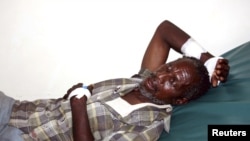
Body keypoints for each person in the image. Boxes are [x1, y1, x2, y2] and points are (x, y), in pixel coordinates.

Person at [0, 20, 229, 141]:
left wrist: (78, 107)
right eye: (167, 68)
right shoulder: (142, 81)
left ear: (180, 100)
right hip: (18, 110)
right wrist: (207, 58)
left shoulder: (149, 125)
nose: (160, 76)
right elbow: (164, 30)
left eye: (173, 82)